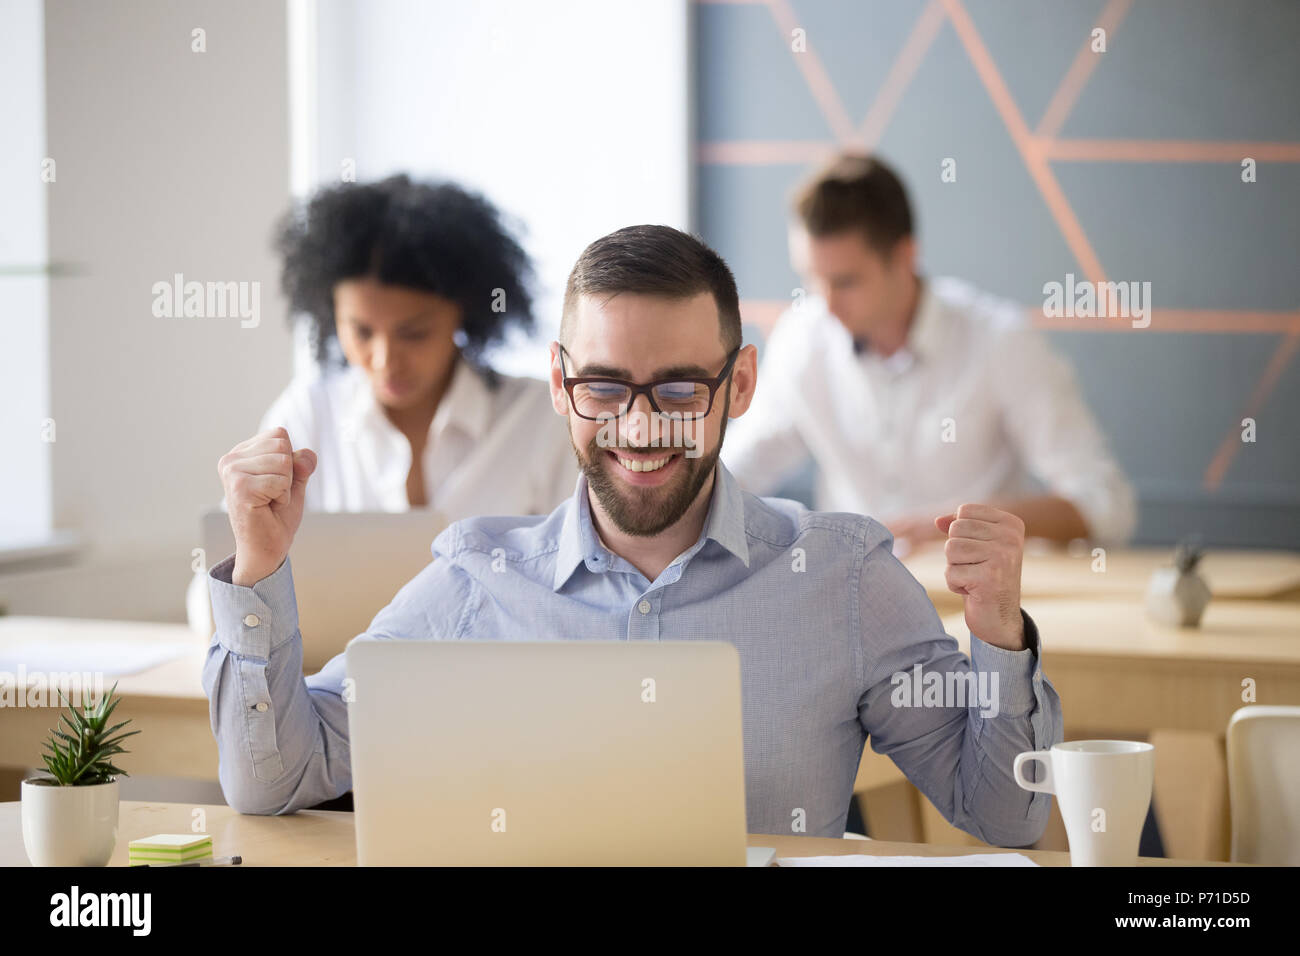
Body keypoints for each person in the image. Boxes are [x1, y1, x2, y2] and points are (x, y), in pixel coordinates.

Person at [202, 225, 1063, 844]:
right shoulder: (476, 581)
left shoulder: (843, 577)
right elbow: (274, 779)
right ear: (559, 382)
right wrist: (261, 570)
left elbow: (1004, 813)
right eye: (606, 388)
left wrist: (997, 637)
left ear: (741, 383)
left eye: (681, 389)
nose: (641, 427)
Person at [188, 175, 575, 630]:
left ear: (464, 312)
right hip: (337, 688)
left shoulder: (539, 419)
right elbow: (206, 612)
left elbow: (585, 595)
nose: (385, 360)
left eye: (414, 333)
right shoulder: (310, 413)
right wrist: (250, 548)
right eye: (362, 331)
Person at [721, 153, 1136, 556]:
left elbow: (1106, 504)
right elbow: (737, 471)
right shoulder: (802, 341)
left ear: (904, 256)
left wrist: (957, 526)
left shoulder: (1000, 341)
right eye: (812, 279)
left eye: (845, 281)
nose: (826, 305)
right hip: (848, 606)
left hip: (977, 604)